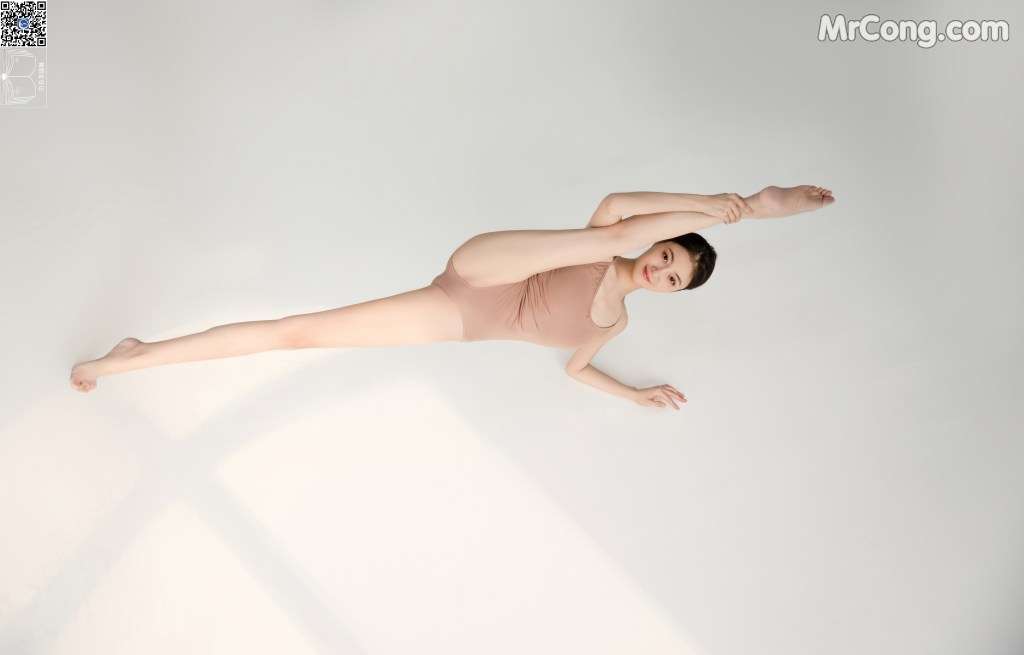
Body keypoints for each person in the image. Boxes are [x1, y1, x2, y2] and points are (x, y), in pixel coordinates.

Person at [69, 184, 835, 409]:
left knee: (297, 333)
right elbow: (619, 209)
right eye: (667, 257)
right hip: (495, 263)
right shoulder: (612, 238)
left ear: (670, 293)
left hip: (463, 311)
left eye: (671, 278)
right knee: (601, 239)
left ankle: (135, 355)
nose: (658, 270)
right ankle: (747, 206)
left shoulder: (615, 321)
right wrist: (717, 207)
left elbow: (575, 368)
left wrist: (634, 395)